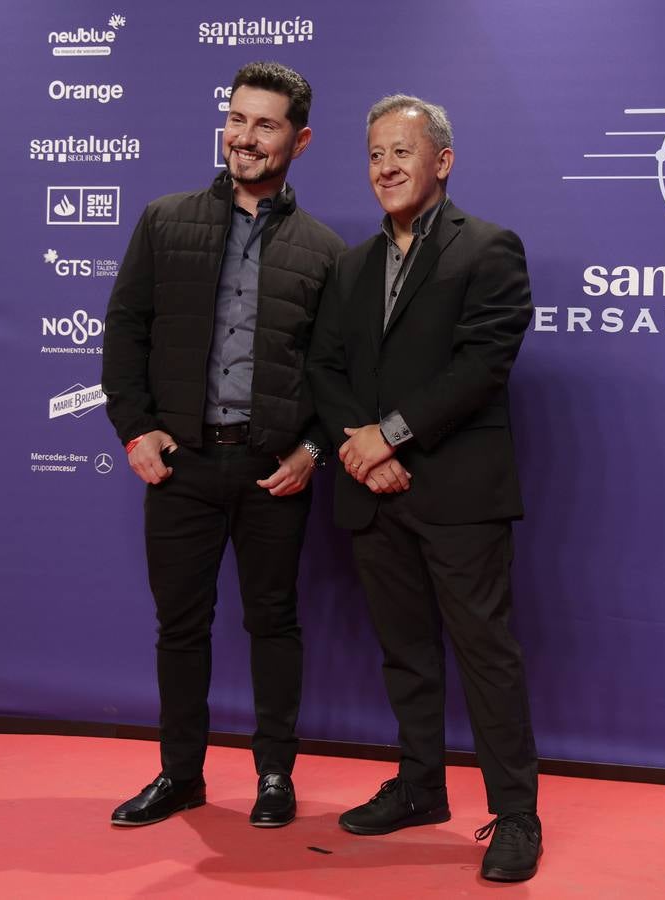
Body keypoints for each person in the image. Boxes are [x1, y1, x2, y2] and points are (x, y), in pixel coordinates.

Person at [101, 61, 343, 829]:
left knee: (273, 622)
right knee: (180, 626)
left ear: (298, 140)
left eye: (264, 123)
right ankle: (180, 776)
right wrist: (137, 430)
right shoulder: (164, 220)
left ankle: (275, 777)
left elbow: (338, 373)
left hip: (273, 470)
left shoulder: (326, 250)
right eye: (237, 118)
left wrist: (313, 449)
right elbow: (125, 330)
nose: (244, 136)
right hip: (183, 469)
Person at [307, 95, 541, 882]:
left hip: (459, 495)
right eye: (374, 154)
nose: (386, 168)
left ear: (441, 160)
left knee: (486, 657)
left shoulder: (488, 249)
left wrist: (392, 434)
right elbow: (325, 370)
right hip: (374, 492)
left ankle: (515, 815)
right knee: (404, 655)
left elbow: (480, 367)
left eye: (401, 152)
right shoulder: (350, 264)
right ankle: (418, 787)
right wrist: (362, 450)